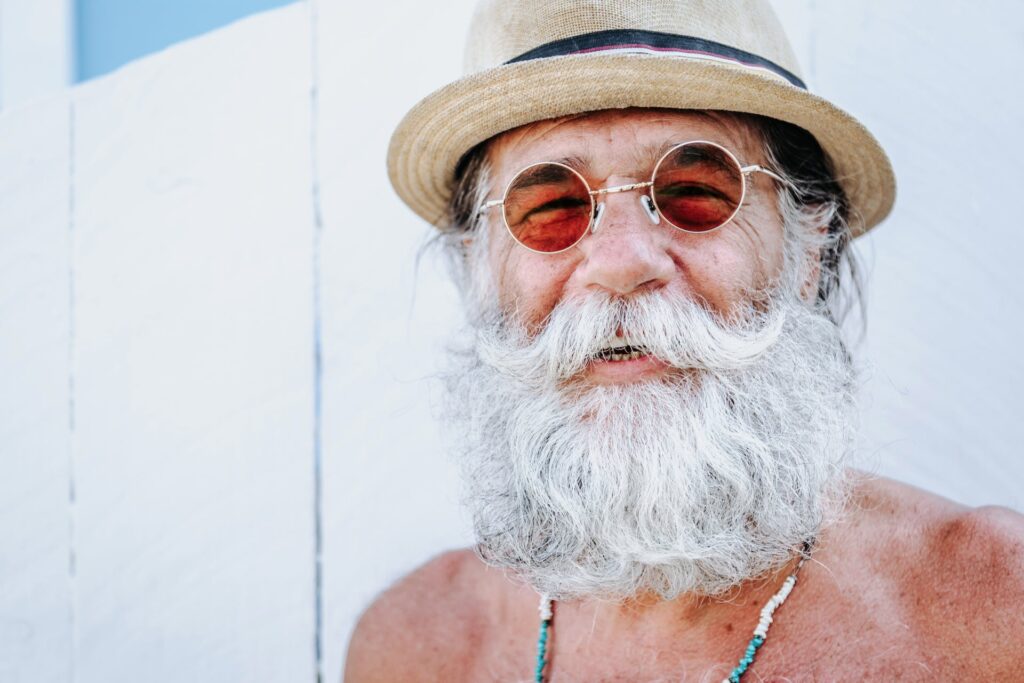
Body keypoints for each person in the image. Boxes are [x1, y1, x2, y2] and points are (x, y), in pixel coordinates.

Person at [346, 0, 1024, 680]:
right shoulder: (415, 647)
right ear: (478, 267)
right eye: (552, 206)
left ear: (807, 249)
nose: (620, 262)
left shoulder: (994, 617)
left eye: (695, 191)